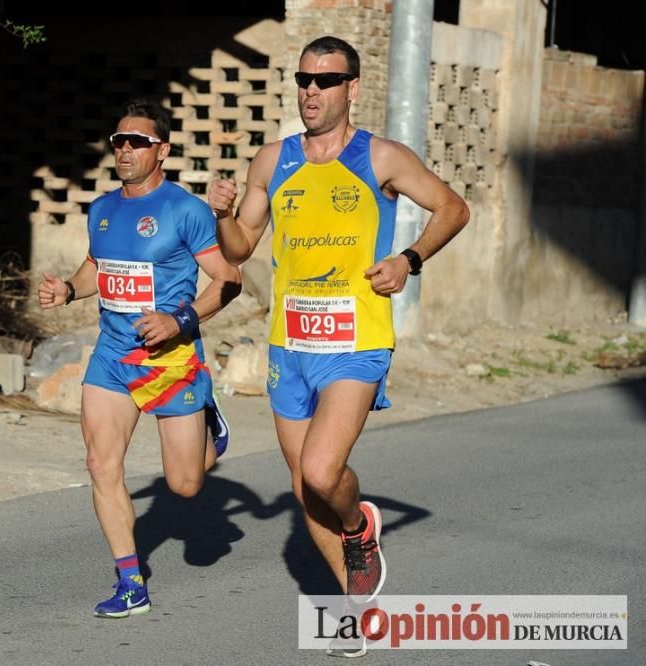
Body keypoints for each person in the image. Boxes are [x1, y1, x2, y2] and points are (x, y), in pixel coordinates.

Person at [208, 35, 469, 653]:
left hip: (356, 342)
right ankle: (353, 609)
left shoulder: (381, 157)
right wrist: (220, 212)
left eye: (325, 81)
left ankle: (360, 525)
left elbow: (452, 209)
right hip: (288, 345)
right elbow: (241, 246)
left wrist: (409, 258)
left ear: (352, 87)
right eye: (303, 80)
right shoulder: (273, 161)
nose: (311, 92)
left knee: (326, 472)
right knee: (304, 486)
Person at [39, 99, 242, 619]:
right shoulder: (103, 209)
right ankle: (131, 582)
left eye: (138, 142)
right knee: (100, 464)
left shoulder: (186, 210)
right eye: (119, 141)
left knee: (186, 484)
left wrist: (179, 321)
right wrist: (69, 289)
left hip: (172, 359)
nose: (125, 149)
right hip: (112, 355)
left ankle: (209, 424)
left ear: (163, 151)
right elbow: (95, 268)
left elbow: (228, 280)